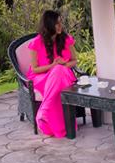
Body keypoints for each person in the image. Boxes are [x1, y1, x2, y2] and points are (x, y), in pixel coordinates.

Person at [26, 9, 78, 138]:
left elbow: (74, 61)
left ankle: (45, 112)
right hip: (42, 78)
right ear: (49, 25)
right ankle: (63, 126)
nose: (60, 26)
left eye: (61, 22)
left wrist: (62, 65)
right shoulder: (36, 43)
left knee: (59, 71)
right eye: (57, 23)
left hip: (63, 75)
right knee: (58, 76)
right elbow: (35, 69)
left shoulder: (66, 39)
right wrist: (53, 66)